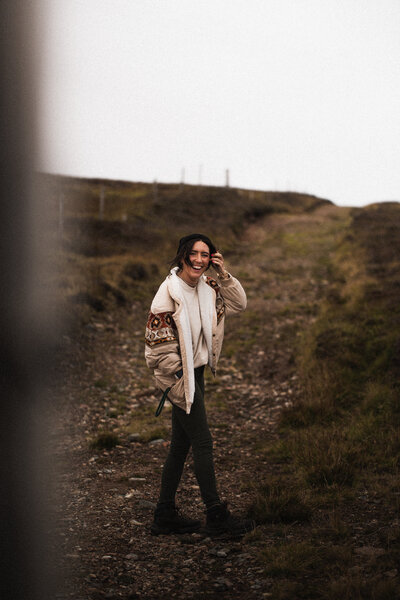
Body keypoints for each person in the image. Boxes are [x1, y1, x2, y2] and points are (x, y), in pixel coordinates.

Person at [145, 233, 255, 538]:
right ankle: (215, 514)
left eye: (205, 255)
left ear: (211, 259)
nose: (198, 259)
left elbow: (240, 303)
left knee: (181, 445)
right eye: (193, 253)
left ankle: (164, 514)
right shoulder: (167, 294)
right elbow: (155, 349)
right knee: (203, 441)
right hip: (180, 377)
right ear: (182, 256)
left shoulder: (209, 286)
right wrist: (178, 378)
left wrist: (223, 273)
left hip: (198, 373)